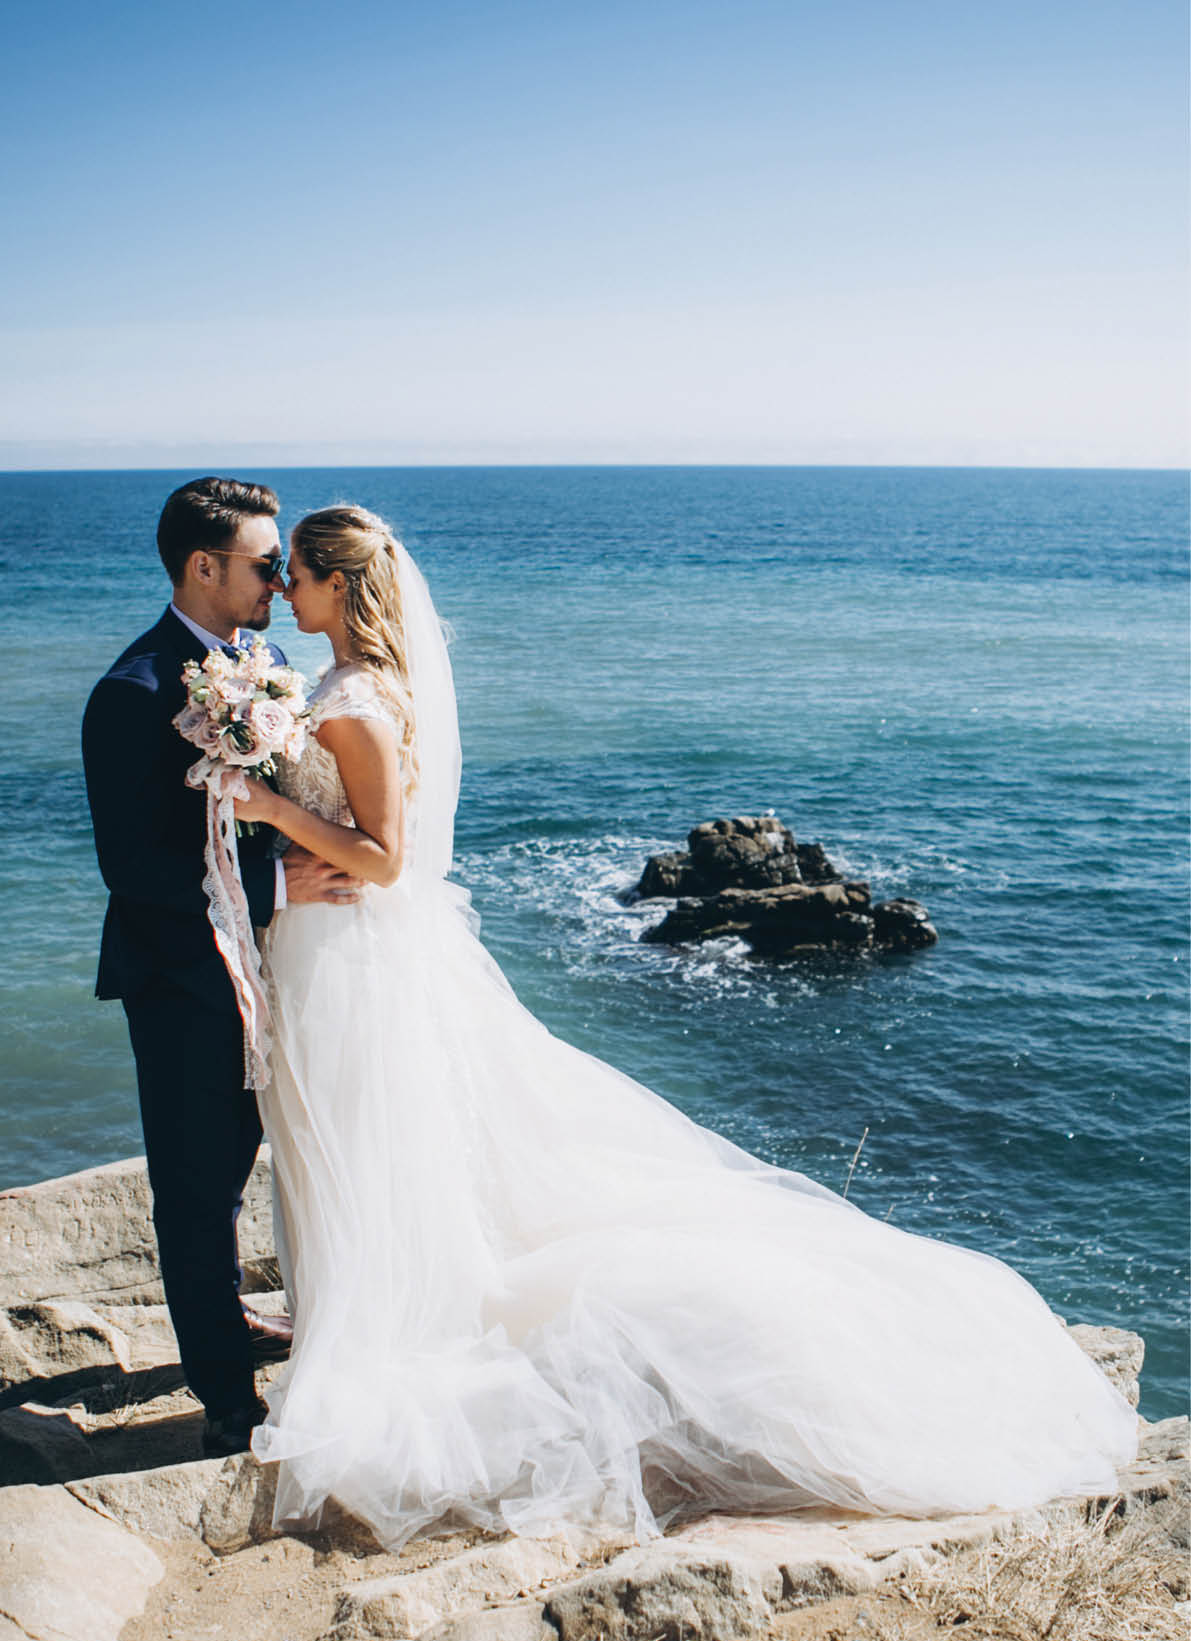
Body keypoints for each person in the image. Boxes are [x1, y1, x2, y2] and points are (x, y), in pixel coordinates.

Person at [236, 504, 1137, 1548]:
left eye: (294, 574)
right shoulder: (363, 687)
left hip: (354, 960)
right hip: (340, 947)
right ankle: (353, 1304)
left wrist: (268, 811)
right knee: (364, 1142)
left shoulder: (351, 698)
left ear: (339, 587)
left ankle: (376, 1320)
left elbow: (386, 857)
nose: (282, 591)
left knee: (358, 1138)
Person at [81, 478, 362, 1456]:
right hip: (180, 979)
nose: (281, 582)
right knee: (196, 1189)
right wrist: (284, 886)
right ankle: (225, 1398)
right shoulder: (132, 694)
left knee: (257, 1155)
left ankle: (237, 1317)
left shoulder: (269, 662)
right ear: (204, 567)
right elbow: (138, 867)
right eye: (264, 564)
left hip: (273, 968)